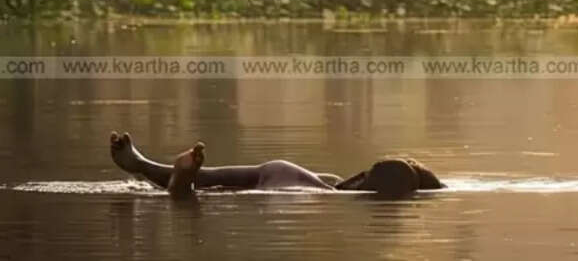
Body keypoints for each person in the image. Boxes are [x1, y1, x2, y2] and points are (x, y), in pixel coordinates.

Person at [109, 131, 444, 198]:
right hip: (281, 179)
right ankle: (167, 175)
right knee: (210, 182)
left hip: (281, 177)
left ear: (364, 180)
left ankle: (172, 179)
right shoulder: (409, 188)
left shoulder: (346, 191)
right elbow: (431, 184)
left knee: (210, 179)